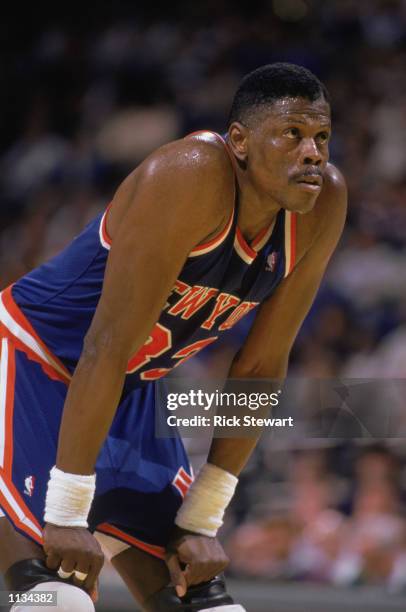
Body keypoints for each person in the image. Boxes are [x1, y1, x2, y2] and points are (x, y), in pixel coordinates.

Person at [0, 63, 346, 611]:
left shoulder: (322, 202)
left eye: (321, 137)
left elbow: (259, 369)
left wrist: (202, 519)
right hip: (38, 361)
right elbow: (104, 346)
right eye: (292, 135)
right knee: (58, 599)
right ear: (239, 141)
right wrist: (67, 512)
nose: (313, 153)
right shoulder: (190, 174)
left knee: (205, 605)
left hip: (132, 387)